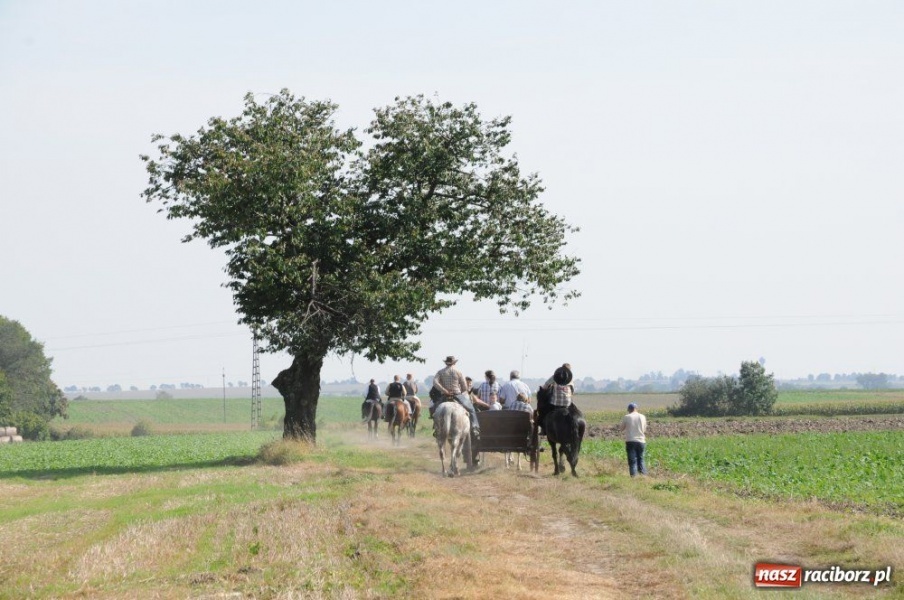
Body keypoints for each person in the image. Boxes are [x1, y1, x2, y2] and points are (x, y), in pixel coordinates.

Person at [430, 355, 480, 437]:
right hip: (457, 395)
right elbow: (464, 387)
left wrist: (444, 390)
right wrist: (462, 391)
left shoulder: (440, 372)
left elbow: (435, 382)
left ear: (446, 363)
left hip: (444, 395)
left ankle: (436, 428)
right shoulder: (458, 372)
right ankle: (475, 427)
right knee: (471, 409)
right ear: (454, 363)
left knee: (435, 410)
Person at [537, 364, 574, 430]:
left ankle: (543, 428)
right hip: (567, 403)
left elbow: (545, 386)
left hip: (555, 403)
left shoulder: (555, 376)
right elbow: (572, 391)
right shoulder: (570, 379)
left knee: (545, 411)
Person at [620, 402, 647, 476]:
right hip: (641, 441)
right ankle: (643, 476)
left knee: (632, 461)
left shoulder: (627, 417)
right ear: (636, 409)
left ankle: (634, 477)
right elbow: (644, 429)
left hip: (631, 440)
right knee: (641, 459)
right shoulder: (642, 416)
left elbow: (621, 428)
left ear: (629, 409)